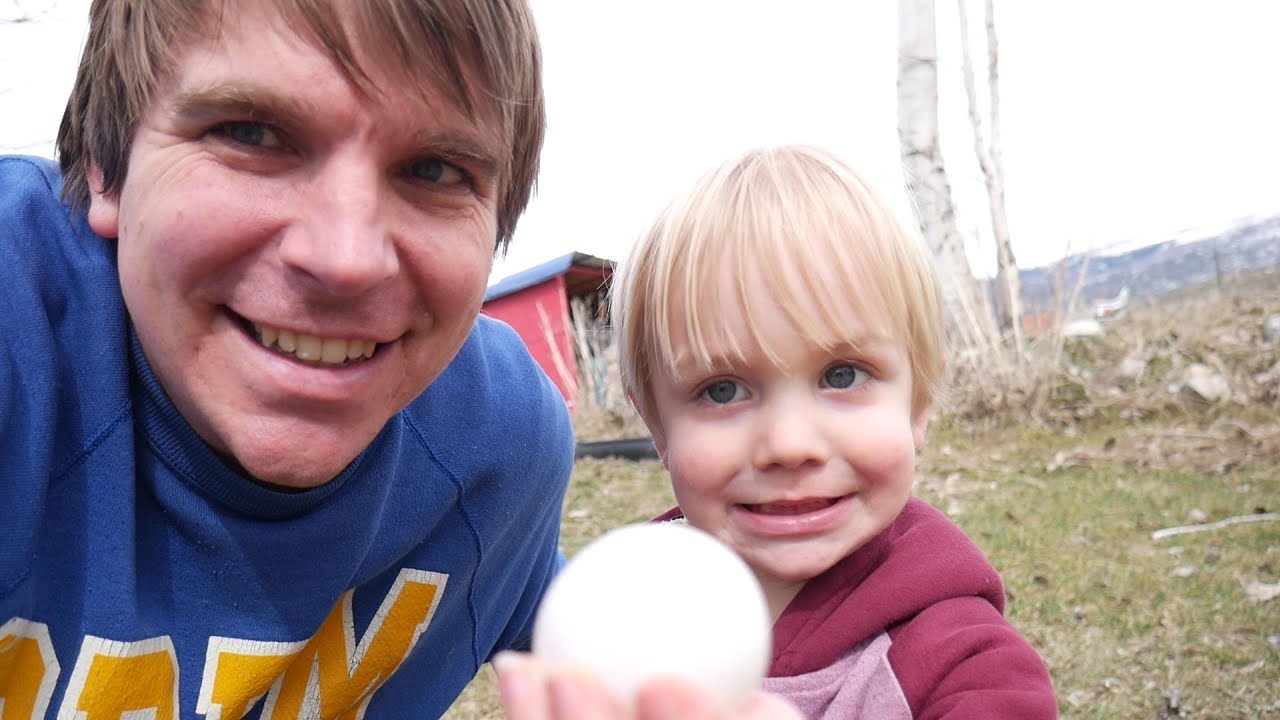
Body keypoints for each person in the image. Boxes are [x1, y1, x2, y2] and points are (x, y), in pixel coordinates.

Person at [0, 0, 572, 716]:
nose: (346, 259)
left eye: (434, 170)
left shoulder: (495, 454)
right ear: (106, 167)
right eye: (251, 133)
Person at [604, 145, 1059, 718]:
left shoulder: (965, 672)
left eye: (842, 376)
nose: (790, 445)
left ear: (918, 401)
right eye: (723, 389)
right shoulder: (629, 607)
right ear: (655, 424)